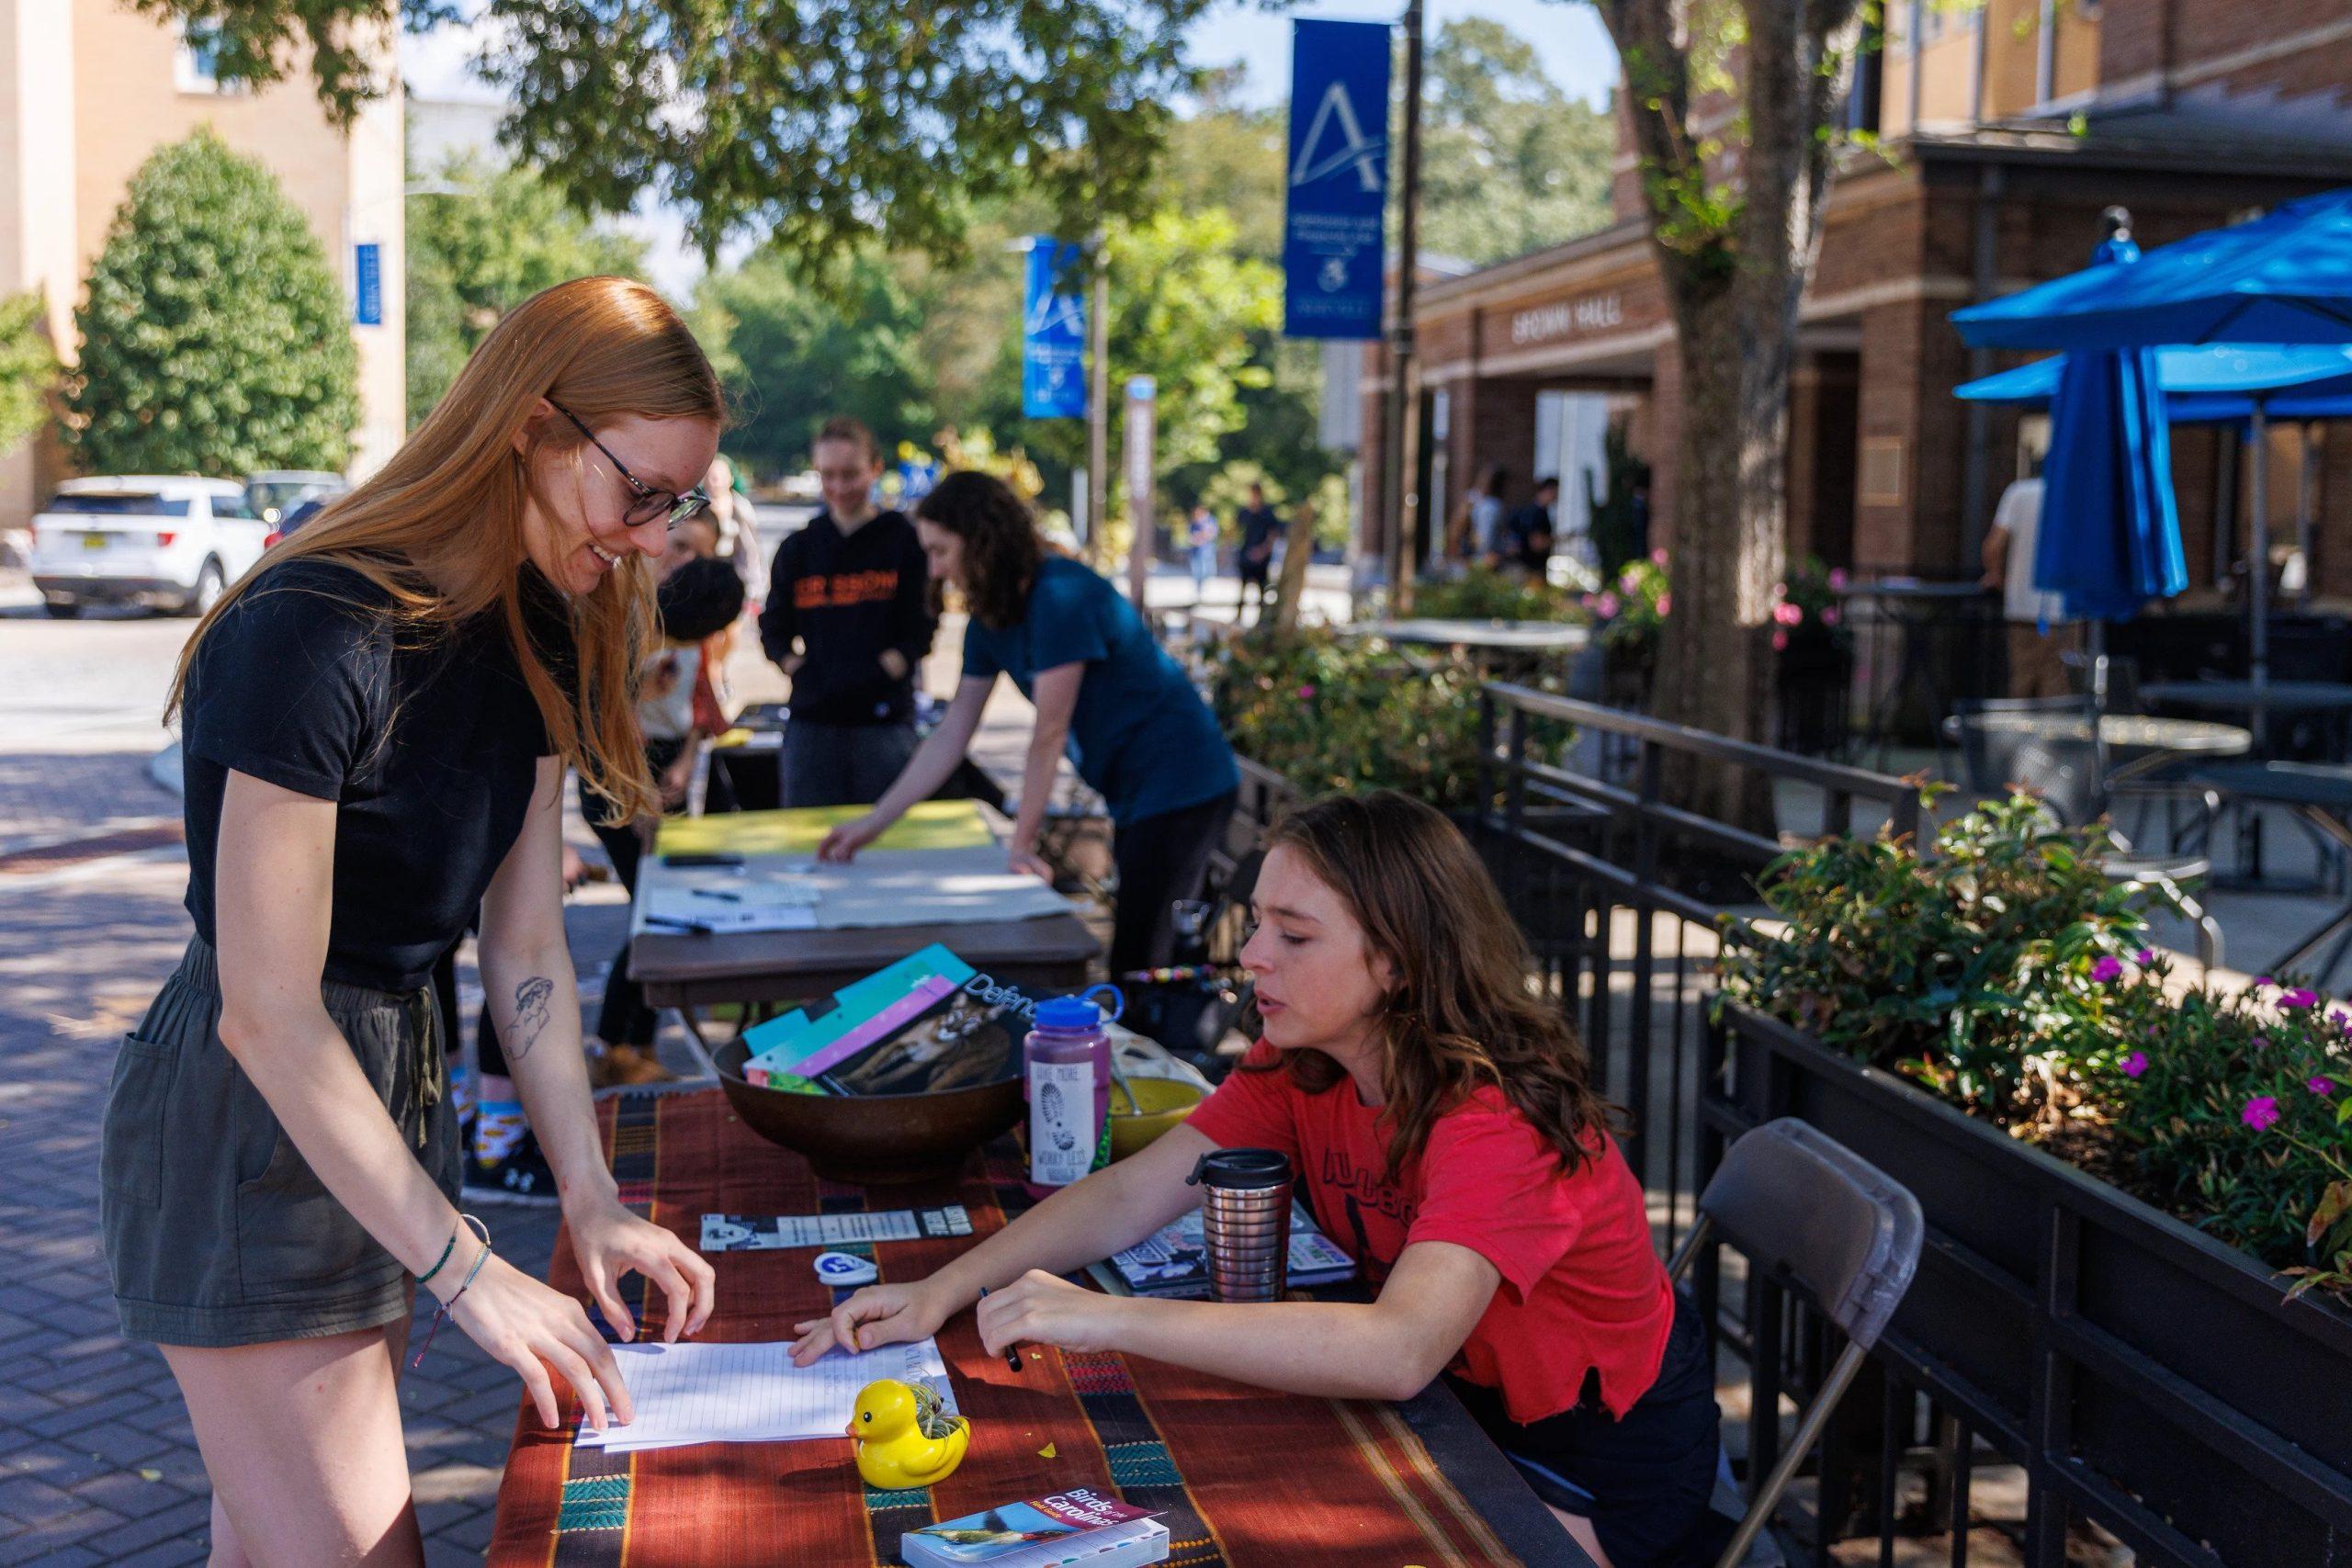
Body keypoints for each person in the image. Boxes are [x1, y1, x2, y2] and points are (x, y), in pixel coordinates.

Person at [102, 276, 720, 1564]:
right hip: (251, 1109)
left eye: (680, 502)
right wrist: (467, 1267)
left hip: (384, 1079)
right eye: (640, 492)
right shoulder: (315, 624)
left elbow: (531, 948)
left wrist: (589, 1192)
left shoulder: (542, 623)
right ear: (531, 425)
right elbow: (266, 1006)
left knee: (272, 1536)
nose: (654, 534)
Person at [794, 792, 1731, 1568]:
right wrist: (947, 1286)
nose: (1251, 958)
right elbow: (1130, 1193)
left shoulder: (1495, 1123)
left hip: (1597, 1464)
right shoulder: (1306, 1065)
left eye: (1293, 935)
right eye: (1256, 926)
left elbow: (1396, 1349)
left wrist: (1100, 1319)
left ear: (1399, 959)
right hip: (1455, 1409)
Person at [819, 471, 1239, 976]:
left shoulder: (1060, 595)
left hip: (1186, 783)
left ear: (982, 542)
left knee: (1140, 962)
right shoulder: (989, 620)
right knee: (1139, 953)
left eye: (941, 551)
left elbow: (1048, 735)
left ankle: (1162, 1047)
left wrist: (1022, 846)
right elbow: (951, 734)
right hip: (1135, 792)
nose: (935, 570)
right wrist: (871, 826)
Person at [759, 416, 936, 807]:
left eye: (850, 474)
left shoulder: (905, 541)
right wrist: (797, 667)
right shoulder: (799, 548)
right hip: (812, 723)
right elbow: (773, 627)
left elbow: (922, 626)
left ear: (875, 469)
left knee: (887, 848)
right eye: (828, 475)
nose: (838, 488)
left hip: (885, 723)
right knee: (809, 844)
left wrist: (886, 667)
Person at [1980, 471, 2070, 697]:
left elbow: (1993, 546)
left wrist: (1997, 576)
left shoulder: (2019, 493)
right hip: (2062, 608)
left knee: (2021, 679)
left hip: (2020, 605)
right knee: (2056, 681)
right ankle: (2053, 733)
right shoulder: (2072, 494)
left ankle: (2018, 731)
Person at [1235, 483, 1281, 621]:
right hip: (1246, 556)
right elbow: (1236, 531)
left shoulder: (1267, 513)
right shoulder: (1245, 512)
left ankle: (1262, 619)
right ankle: (1239, 616)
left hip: (1262, 558)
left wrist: (1262, 551)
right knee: (1243, 589)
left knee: (1262, 590)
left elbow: (1273, 534)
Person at [1502, 475, 1559, 578]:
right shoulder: (1537, 513)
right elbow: (1537, 544)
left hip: (1525, 565)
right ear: (1549, 490)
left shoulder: (1531, 509)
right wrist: (1557, 539)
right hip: (1530, 569)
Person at [1187, 503, 1218, 600]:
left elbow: (1211, 534)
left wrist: (1202, 536)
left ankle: (1204, 590)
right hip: (1196, 552)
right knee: (1197, 572)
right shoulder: (1194, 523)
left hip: (1206, 552)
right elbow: (1190, 538)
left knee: (1207, 571)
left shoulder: (1210, 521)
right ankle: (1199, 591)